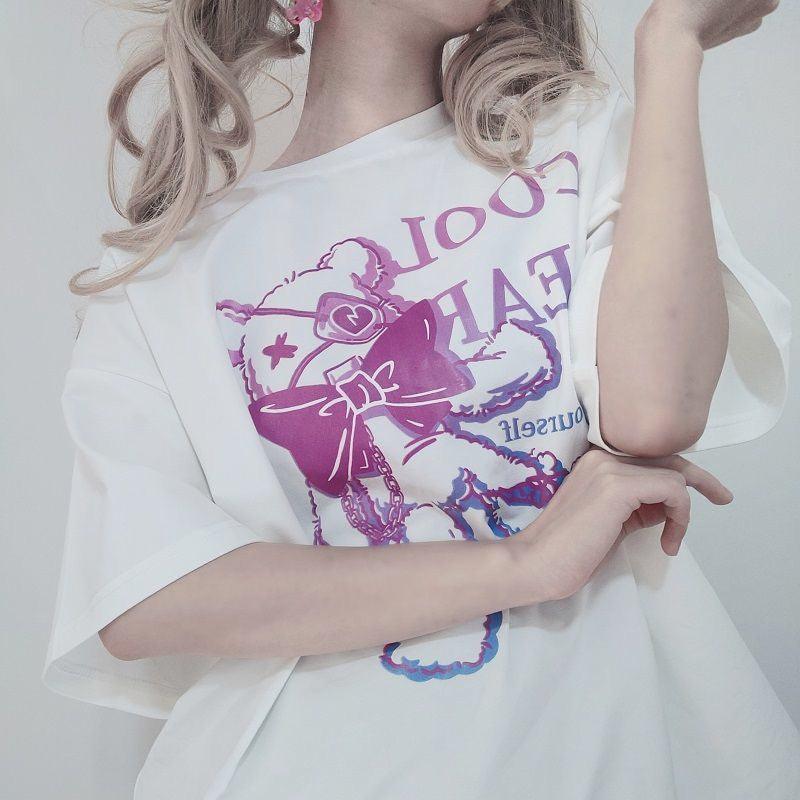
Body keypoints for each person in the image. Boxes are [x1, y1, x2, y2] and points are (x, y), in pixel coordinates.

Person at [43, 0, 800, 798]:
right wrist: (520, 563)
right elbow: (148, 595)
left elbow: (653, 414)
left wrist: (672, 46)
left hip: (605, 751)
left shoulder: (574, 144)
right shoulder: (163, 276)